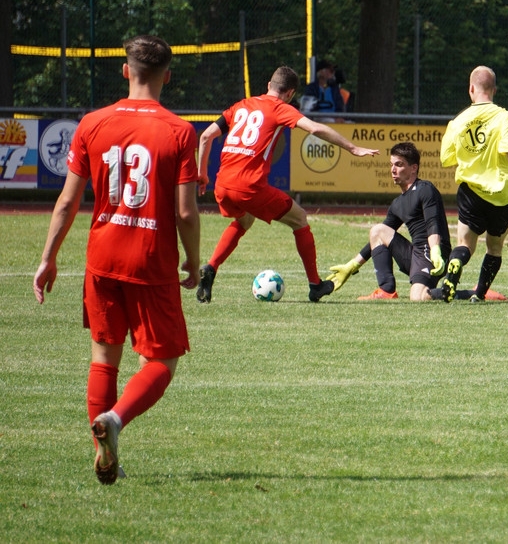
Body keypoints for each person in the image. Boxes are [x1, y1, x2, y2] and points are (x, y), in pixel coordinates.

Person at [33, 35, 201, 485]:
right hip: (151, 261)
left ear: (126, 71)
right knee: (162, 363)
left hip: (102, 258)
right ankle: (117, 421)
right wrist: (194, 261)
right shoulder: (181, 131)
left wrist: (48, 259)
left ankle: (103, 453)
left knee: (103, 360)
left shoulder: (92, 123)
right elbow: (186, 211)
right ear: (168, 76)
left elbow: (68, 202)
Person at [196, 65, 378, 303]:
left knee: (244, 219)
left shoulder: (241, 105)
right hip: (249, 187)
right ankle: (315, 285)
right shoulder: (281, 108)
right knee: (300, 219)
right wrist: (353, 148)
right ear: (290, 93)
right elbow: (315, 128)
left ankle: (210, 268)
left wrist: (202, 175)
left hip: (221, 184)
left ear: (268, 86)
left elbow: (205, 136)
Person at [327, 142, 508, 302]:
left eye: (399, 165)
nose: (393, 170)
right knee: (378, 231)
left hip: (432, 251)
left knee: (418, 297)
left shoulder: (425, 189)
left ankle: (475, 292)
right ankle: (386, 291)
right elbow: (377, 240)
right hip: (416, 253)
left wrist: (436, 251)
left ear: (413, 168)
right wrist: (351, 266)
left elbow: (432, 223)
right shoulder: (398, 203)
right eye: (391, 165)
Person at [438, 65, 508, 302]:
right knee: (494, 247)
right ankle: (479, 294)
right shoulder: (504, 116)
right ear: (494, 90)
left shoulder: (458, 121)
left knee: (465, 244)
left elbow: (446, 159)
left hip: (471, 191)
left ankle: (455, 263)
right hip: (502, 193)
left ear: (471, 88)